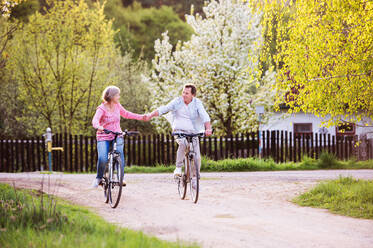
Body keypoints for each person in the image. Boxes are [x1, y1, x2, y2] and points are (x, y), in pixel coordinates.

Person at [146, 84, 212, 188]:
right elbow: (164, 109)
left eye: (187, 93)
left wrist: (208, 128)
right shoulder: (177, 101)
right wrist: (150, 115)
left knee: (197, 157)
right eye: (183, 92)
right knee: (183, 144)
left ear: (193, 95)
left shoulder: (197, 103)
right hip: (179, 131)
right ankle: (178, 168)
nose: (184, 95)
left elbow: (204, 116)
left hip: (193, 132)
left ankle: (195, 178)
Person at [91, 85, 146, 188]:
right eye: (117, 95)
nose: (119, 97)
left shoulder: (117, 106)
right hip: (104, 136)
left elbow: (127, 114)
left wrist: (141, 117)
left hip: (117, 135)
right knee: (102, 158)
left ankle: (120, 177)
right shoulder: (101, 108)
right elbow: (95, 120)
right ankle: (98, 178)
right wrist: (98, 126)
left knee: (119, 154)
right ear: (112, 96)